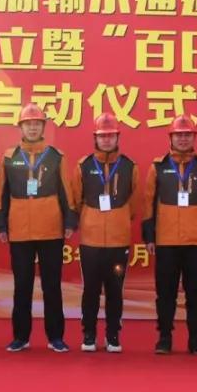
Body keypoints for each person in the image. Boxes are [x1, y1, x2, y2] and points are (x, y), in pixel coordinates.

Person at [0, 103, 78, 352]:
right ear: (20, 127)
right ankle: (21, 336)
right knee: (22, 286)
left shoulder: (56, 156)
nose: (32, 128)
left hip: (51, 229)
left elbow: (66, 191)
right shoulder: (9, 158)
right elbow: (0, 194)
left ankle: (56, 337)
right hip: (19, 230)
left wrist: (69, 221)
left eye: (37, 124)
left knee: (52, 286)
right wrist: (1, 224)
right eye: (28, 124)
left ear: (43, 127)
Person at [141, 114, 197, 356]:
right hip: (165, 243)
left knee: (196, 293)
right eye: (179, 135)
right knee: (165, 293)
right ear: (171, 137)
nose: (183, 139)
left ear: (194, 137)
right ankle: (164, 338)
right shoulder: (158, 167)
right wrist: (149, 237)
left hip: (196, 243)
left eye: (187, 135)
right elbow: (148, 204)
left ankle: (196, 340)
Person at [72, 113, 139, 353]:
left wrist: (118, 219)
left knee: (115, 290)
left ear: (117, 137)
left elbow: (135, 202)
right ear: (95, 138)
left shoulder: (129, 166)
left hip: (118, 241)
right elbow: (76, 199)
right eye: (103, 136)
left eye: (111, 135)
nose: (107, 140)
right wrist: (89, 219)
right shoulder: (84, 165)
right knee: (90, 289)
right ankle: (89, 334)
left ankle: (113, 335)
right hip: (90, 241)